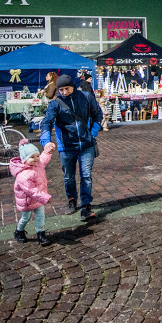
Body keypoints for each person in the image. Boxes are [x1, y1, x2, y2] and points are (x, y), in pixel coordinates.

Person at [40, 74, 104, 221]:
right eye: (61, 90)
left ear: (73, 87)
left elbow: (98, 115)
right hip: (66, 146)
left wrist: (92, 133)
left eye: (66, 89)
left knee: (86, 176)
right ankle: (72, 200)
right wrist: (46, 141)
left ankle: (86, 205)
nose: (64, 92)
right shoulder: (55, 104)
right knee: (68, 177)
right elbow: (47, 122)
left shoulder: (86, 97)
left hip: (86, 144)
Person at [11, 139, 56, 246]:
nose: (36, 159)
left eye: (37, 156)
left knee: (41, 216)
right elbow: (31, 190)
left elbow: (43, 159)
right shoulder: (24, 175)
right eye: (32, 157)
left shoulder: (38, 164)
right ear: (24, 159)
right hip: (27, 201)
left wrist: (47, 150)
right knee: (25, 218)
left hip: (38, 199)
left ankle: (41, 234)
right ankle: (19, 231)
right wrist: (44, 197)